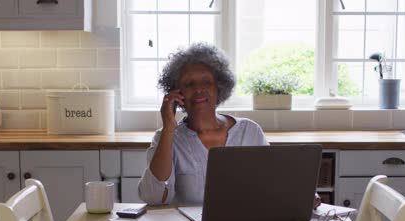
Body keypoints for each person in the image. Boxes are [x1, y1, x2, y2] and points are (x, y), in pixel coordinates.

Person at [137, 43, 321, 208]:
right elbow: (154, 198)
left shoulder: (249, 131)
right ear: (177, 94)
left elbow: (272, 182)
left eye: (206, 82)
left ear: (219, 88)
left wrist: (301, 195)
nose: (199, 89)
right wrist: (169, 127)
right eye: (189, 84)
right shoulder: (167, 138)